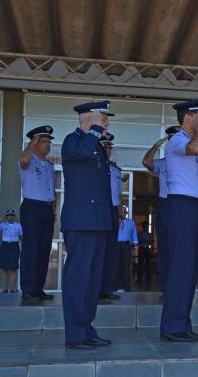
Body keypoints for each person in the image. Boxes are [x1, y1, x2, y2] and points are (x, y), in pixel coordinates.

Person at [61, 100, 114, 349]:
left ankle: (87, 328)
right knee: (78, 279)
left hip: (97, 222)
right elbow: (81, 153)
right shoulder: (73, 141)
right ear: (89, 119)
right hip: (81, 222)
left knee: (92, 281)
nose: (107, 123)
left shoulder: (96, 147)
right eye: (103, 119)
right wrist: (94, 131)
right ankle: (75, 333)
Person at [161, 98, 198, 342]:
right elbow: (197, 149)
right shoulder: (178, 140)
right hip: (180, 205)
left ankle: (182, 323)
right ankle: (173, 325)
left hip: (190, 206)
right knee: (180, 267)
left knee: (189, 269)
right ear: (188, 117)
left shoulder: (188, 140)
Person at [18, 125, 56, 300]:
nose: (47, 145)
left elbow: (51, 190)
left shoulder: (49, 165)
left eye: (49, 142)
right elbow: (23, 160)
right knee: (30, 249)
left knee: (43, 250)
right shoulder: (28, 159)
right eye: (44, 142)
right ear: (35, 143)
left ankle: (38, 288)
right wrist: (30, 145)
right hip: (32, 207)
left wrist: (53, 209)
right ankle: (28, 288)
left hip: (46, 209)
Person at [142, 125, 179, 295]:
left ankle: (178, 287)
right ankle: (165, 287)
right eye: (170, 140)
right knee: (164, 248)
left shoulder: (189, 159)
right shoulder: (163, 163)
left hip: (181, 204)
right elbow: (146, 162)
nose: (173, 143)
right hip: (165, 204)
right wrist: (157, 145)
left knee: (179, 248)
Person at [99, 133, 123, 300]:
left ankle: (108, 288)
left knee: (111, 252)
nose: (108, 150)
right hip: (100, 211)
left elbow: (119, 195)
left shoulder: (115, 169)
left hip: (113, 211)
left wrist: (120, 214)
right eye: (105, 146)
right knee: (99, 251)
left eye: (109, 147)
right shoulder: (95, 167)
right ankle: (97, 288)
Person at [0, 210, 22, 293]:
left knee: (13, 268)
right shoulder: (2, 225)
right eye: (8, 215)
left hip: (14, 246)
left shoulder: (18, 225)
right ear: (6, 216)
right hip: (5, 246)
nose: (10, 216)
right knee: (4, 268)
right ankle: (5, 288)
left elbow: (22, 238)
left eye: (12, 215)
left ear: (14, 216)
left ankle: (12, 289)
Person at [115, 206, 138, 292]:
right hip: (117, 245)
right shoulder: (116, 222)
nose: (122, 213)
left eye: (124, 212)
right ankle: (116, 286)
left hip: (126, 245)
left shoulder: (131, 223)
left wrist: (135, 248)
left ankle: (126, 287)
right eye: (121, 212)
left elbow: (134, 236)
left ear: (126, 213)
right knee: (116, 265)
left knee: (126, 266)